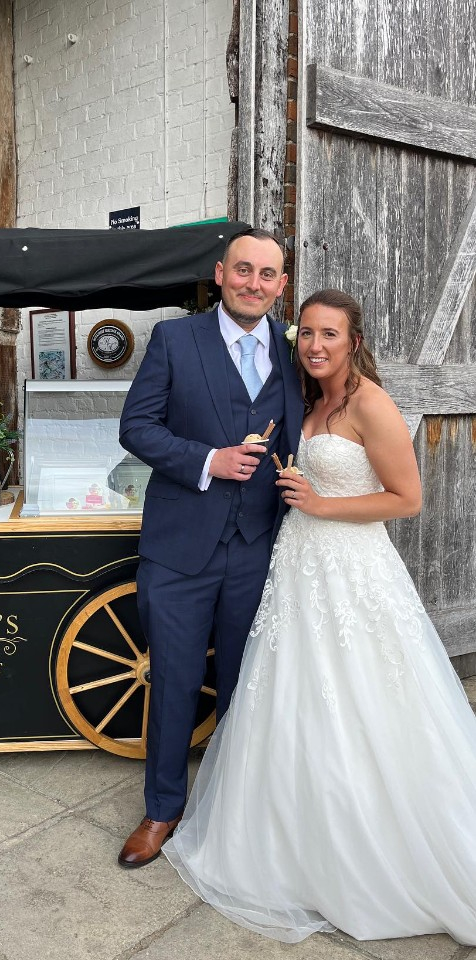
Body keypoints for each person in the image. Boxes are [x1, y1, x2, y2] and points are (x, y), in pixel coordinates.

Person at [163, 289, 476, 944]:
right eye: (306, 333)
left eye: (329, 334)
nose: (315, 345)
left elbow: (407, 499)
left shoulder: (369, 403)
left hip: (353, 570)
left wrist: (320, 504)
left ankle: (370, 847)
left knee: (364, 699)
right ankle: (290, 834)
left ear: (353, 341)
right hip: (297, 568)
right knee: (291, 696)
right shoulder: (306, 401)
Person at [117, 228, 304, 868]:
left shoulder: (294, 352)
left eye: (267, 274)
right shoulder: (175, 339)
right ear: (220, 274)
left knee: (245, 683)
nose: (254, 283)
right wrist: (207, 461)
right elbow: (136, 426)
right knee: (173, 680)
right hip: (179, 549)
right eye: (243, 269)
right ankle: (162, 809)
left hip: (259, 546)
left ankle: (235, 808)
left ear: (281, 286)